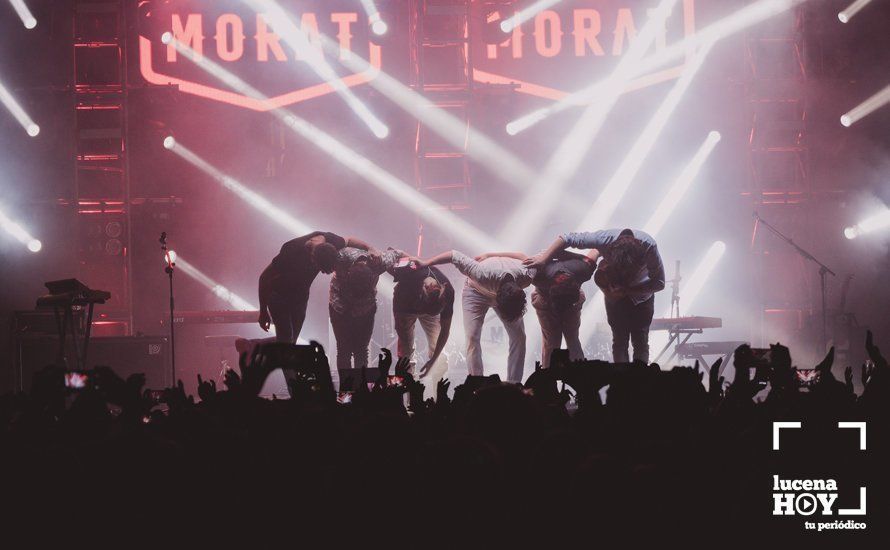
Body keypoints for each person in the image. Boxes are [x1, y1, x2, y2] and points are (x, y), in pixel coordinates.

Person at [526, 229, 664, 364]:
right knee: (619, 342)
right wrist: (544, 259)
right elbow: (566, 238)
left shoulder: (649, 247)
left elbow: (659, 283)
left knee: (640, 342)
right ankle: (623, 383)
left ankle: (640, 382)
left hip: (642, 298)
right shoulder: (602, 241)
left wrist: (628, 290)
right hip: (614, 296)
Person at [420, 250, 532, 383]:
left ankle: (514, 383)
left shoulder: (526, 276)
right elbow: (454, 255)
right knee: (472, 336)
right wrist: (427, 262)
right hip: (475, 292)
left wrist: (492, 255)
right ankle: (476, 383)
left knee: (519, 336)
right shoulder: (481, 273)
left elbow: (524, 257)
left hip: (505, 292)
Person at [479, 249, 598, 368]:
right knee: (559, 341)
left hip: (571, 303)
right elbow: (521, 256)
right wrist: (489, 254)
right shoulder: (539, 273)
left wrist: (566, 254)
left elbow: (595, 250)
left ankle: (574, 376)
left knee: (566, 341)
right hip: (546, 303)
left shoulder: (583, 269)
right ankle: (549, 379)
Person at [257, 231, 377, 343]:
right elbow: (264, 278)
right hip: (278, 296)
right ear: (313, 260)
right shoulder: (292, 250)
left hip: (300, 298)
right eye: (322, 269)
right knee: (286, 339)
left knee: (291, 342)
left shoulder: (330, 240)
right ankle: (257, 347)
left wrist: (370, 248)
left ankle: (253, 344)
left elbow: (349, 240)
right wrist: (263, 312)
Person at [329, 247, 399, 371]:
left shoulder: (379, 263)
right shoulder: (341, 259)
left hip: (365, 308)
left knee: (359, 349)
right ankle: (347, 388)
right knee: (345, 349)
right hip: (340, 307)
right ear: (348, 273)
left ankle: (358, 387)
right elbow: (345, 240)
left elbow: (398, 253)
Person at [389, 259, 455, 378]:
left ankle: (439, 392)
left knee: (438, 354)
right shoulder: (410, 283)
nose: (433, 285)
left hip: (424, 306)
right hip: (405, 307)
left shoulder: (447, 291)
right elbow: (393, 257)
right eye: (433, 287)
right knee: (406, 353)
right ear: (425, 288)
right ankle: (410, 391)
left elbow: (445, 331)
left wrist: (433, 360)